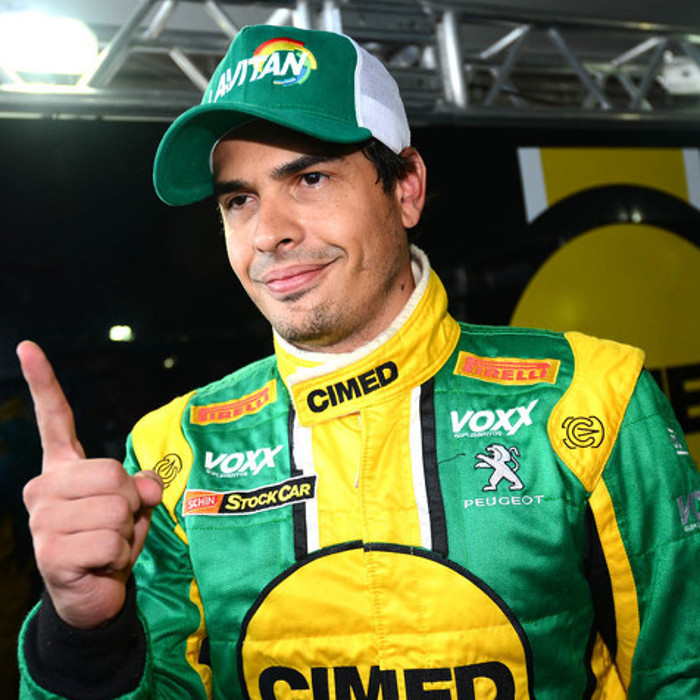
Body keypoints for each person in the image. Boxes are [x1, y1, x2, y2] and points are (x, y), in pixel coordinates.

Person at [16, 23, 700, 700]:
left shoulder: (592, 396)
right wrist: (83, 636)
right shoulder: (175, 449)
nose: (268, 234)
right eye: (239, 200)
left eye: (310, 178)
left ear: (406, 189)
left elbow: (681, 674)